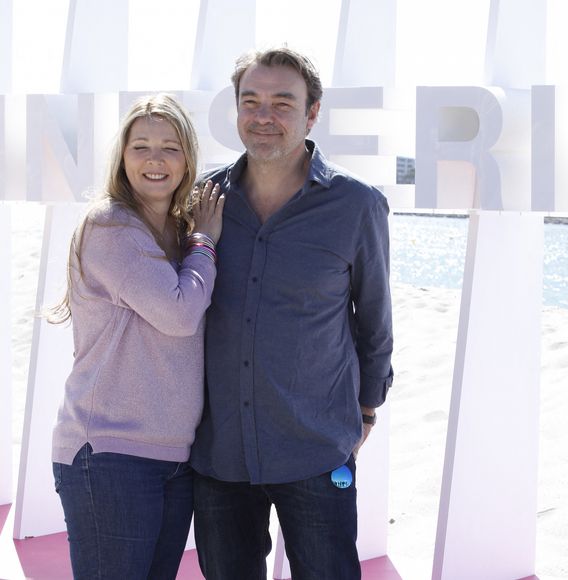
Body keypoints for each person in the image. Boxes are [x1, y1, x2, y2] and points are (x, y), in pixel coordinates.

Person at [190, 47, 394, 579]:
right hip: (220, 451)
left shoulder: (357, 205)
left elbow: (374, 319)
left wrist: (367, 408)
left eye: (283, 102)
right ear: (235, 110)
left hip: (315, 448)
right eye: (251, 101)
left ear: (312, 112)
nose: (264, 116)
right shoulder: (200, 198)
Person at [50, 93, 224, 579]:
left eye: (169, 147)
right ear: (122, 157)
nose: (155, 159)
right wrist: (206, 242)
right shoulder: (111, 226)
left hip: (173, 455)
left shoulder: (178, 230)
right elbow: (178, 314)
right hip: (109, 455)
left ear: (187, 156)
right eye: (140, 146)